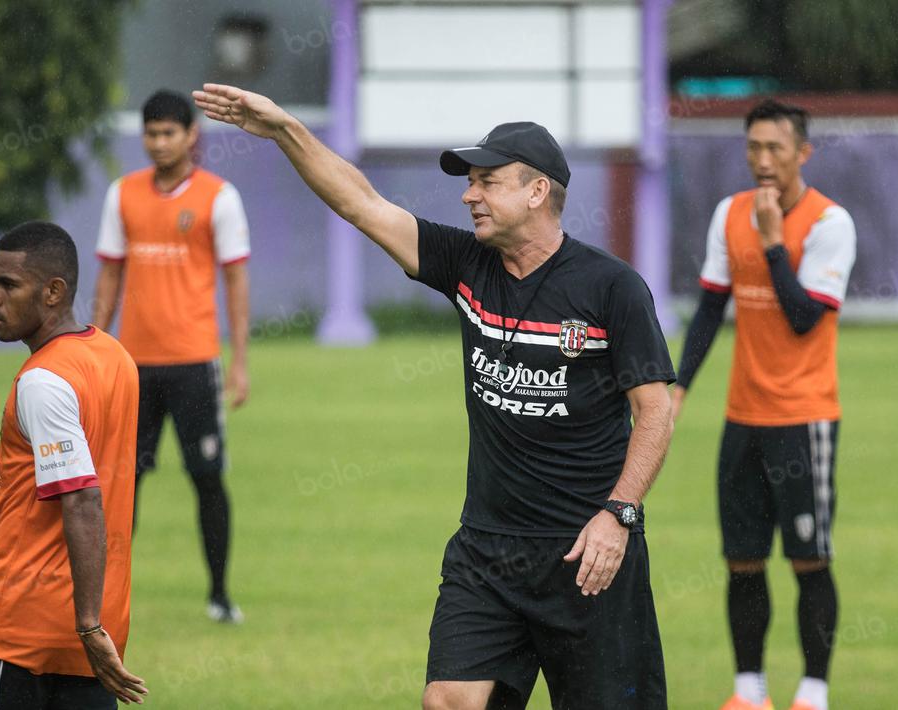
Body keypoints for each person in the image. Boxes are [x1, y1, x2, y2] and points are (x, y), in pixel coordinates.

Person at [191, 83, 675, 709]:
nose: (469, 195)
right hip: (487, 554)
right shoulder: (464, 263)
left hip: (588, 554)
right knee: (448, 700)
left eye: (487, 181)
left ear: (537, 192)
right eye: (468, 182)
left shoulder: (612, 288)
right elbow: (363, 204)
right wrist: (286, 128)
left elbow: (655, 411)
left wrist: (620, 514)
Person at [672, 99, 857, 710]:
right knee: (742, 561)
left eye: (775, 148)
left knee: (808, 559)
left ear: (803, 153)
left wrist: (776, 244)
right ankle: (748, 692)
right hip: (741, 418)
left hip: (803, 419)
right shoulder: (730, 214)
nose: (762, 160)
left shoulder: (831, 223)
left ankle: (813, 691)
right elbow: (708, 309)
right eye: (753, 147)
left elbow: (805, 319)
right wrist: (677, 388)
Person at [0, 222, 146, 708]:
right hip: (88, 643)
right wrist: (2, 568)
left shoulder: (43, 380)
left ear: (53, 292)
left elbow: (82, 498)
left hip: (18, 634)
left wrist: (88, 623)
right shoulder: (114, 357)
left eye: (8, 284)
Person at [92, 89, 251, 623]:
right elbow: (110, 273)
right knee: (123, 482)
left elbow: (236, 282)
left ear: (190, 137)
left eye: (168, 133)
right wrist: (93, 345)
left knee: (206, 477)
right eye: (151, 133)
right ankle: (109, 594)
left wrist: (240, 361)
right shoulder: (122, 195)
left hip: (194, 364)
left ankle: (220, 594)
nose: (158, 143)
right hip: (133, 366)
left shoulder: (219, 197)